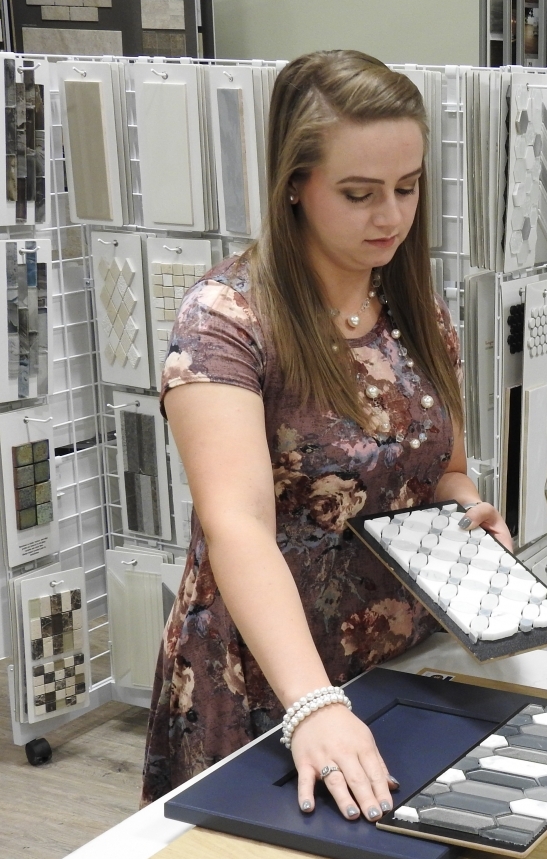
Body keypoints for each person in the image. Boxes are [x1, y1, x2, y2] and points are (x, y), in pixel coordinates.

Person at [141, 50, 511, 820]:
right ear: (295, 187)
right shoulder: (226, 322)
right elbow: (237, 522)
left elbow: (444, 470)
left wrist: (471, 520)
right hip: (267, 682)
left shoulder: (414, 310)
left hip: (395, 666)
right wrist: (311, 702)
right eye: (359, 193)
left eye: (407, 189)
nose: (391, 216)